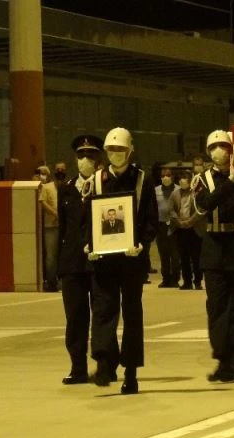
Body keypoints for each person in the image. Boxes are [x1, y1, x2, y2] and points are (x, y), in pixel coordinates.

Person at [84, 127, 158, 395]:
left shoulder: (142, 180)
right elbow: (88, 219)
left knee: (132, 314)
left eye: (120, 149)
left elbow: (151, 219)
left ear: (130, 151)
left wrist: (142, 244)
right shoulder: (96, 180)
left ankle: (131, 372)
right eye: (111, 150)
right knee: (103, 311)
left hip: (132, 259)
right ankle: (105, 365)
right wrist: (89, 244)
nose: (115, 154)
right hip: (104, 260)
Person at [193, 129, 234, 383]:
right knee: (218, 307)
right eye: (214, 147)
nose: (219, 151)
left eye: (224, 146)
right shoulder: (202, 179)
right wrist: (231, 182)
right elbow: (205, 204)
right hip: (216, 246)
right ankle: (224, 359)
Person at [58, 134, 118, 385]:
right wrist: (59, 265)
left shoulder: (108, 185)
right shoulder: (67, 188)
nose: (85, 159)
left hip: (101, 259)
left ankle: (106, 365)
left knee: (103, 313)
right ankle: (77, 366)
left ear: (99, 157)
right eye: (81, 155)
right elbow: (63, 229)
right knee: (75, 317)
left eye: (90, 155)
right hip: (72, 262)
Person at [169, 170, 203, 290]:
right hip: (180, 229)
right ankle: (187, 282)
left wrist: (190, 221)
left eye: (185, 179)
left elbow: (201, 210)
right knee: (183, 257)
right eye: (181, 179)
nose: (182, 181)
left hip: (194, 228)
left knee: (196, 257)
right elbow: (171, 209)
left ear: (190, 181)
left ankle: (198, 282)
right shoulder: (175, 193)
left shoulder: (197, 193)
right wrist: (178, 221)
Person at [154, 168, 180, 288]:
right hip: (161, 225)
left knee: (175, 254)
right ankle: (165, 279)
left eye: (168, 175)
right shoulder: (156, 190)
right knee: (163, 254)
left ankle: (175, 279)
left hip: (175, 225)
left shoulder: (178, 189)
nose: (165, 178)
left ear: (172, 177)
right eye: (163, 175)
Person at [38, 165, 60, 292]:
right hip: (50, 226)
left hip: (63, 225)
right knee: (51, 256)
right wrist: (55, 213)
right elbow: (42, 202)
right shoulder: (46, 187)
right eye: (58, 170)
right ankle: (51, 283)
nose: (60, 172)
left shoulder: (67, 186)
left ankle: (60, 281)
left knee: (62, 255)